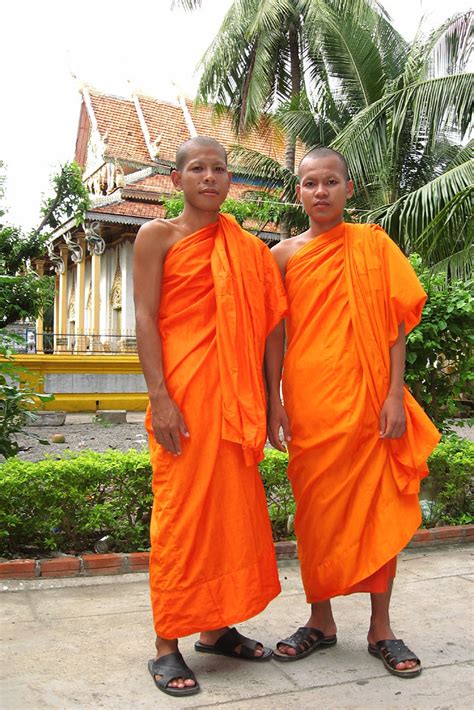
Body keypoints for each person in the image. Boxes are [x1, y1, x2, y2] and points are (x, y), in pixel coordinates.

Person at [265, 147, 440, 678]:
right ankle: (320, 621)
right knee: (317, 513)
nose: (321, 191)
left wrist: (393, 396)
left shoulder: (373, 246)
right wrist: (272, 398)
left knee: (377, 508)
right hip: (310, 397)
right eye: (310, 183)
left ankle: (381, 627)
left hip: (368, 399)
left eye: (331, 182)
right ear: (298, 191)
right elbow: (274, 334)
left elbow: (393, 328)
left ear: (349, 189)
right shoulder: (282, 255)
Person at [133, 136, 287, 697]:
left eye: (219, 169)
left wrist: (273, 401)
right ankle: (167, 643)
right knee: (181, 515)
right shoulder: (157, 236)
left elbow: (272, 325)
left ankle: (217, 628)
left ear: (229, 180)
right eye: (196, 168)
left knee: (229, 515)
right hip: (184, 397)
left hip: (236, 400)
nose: (209, 177)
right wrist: (160, 397)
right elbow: (146, 320)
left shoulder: (246, 248)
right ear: (176, 180)